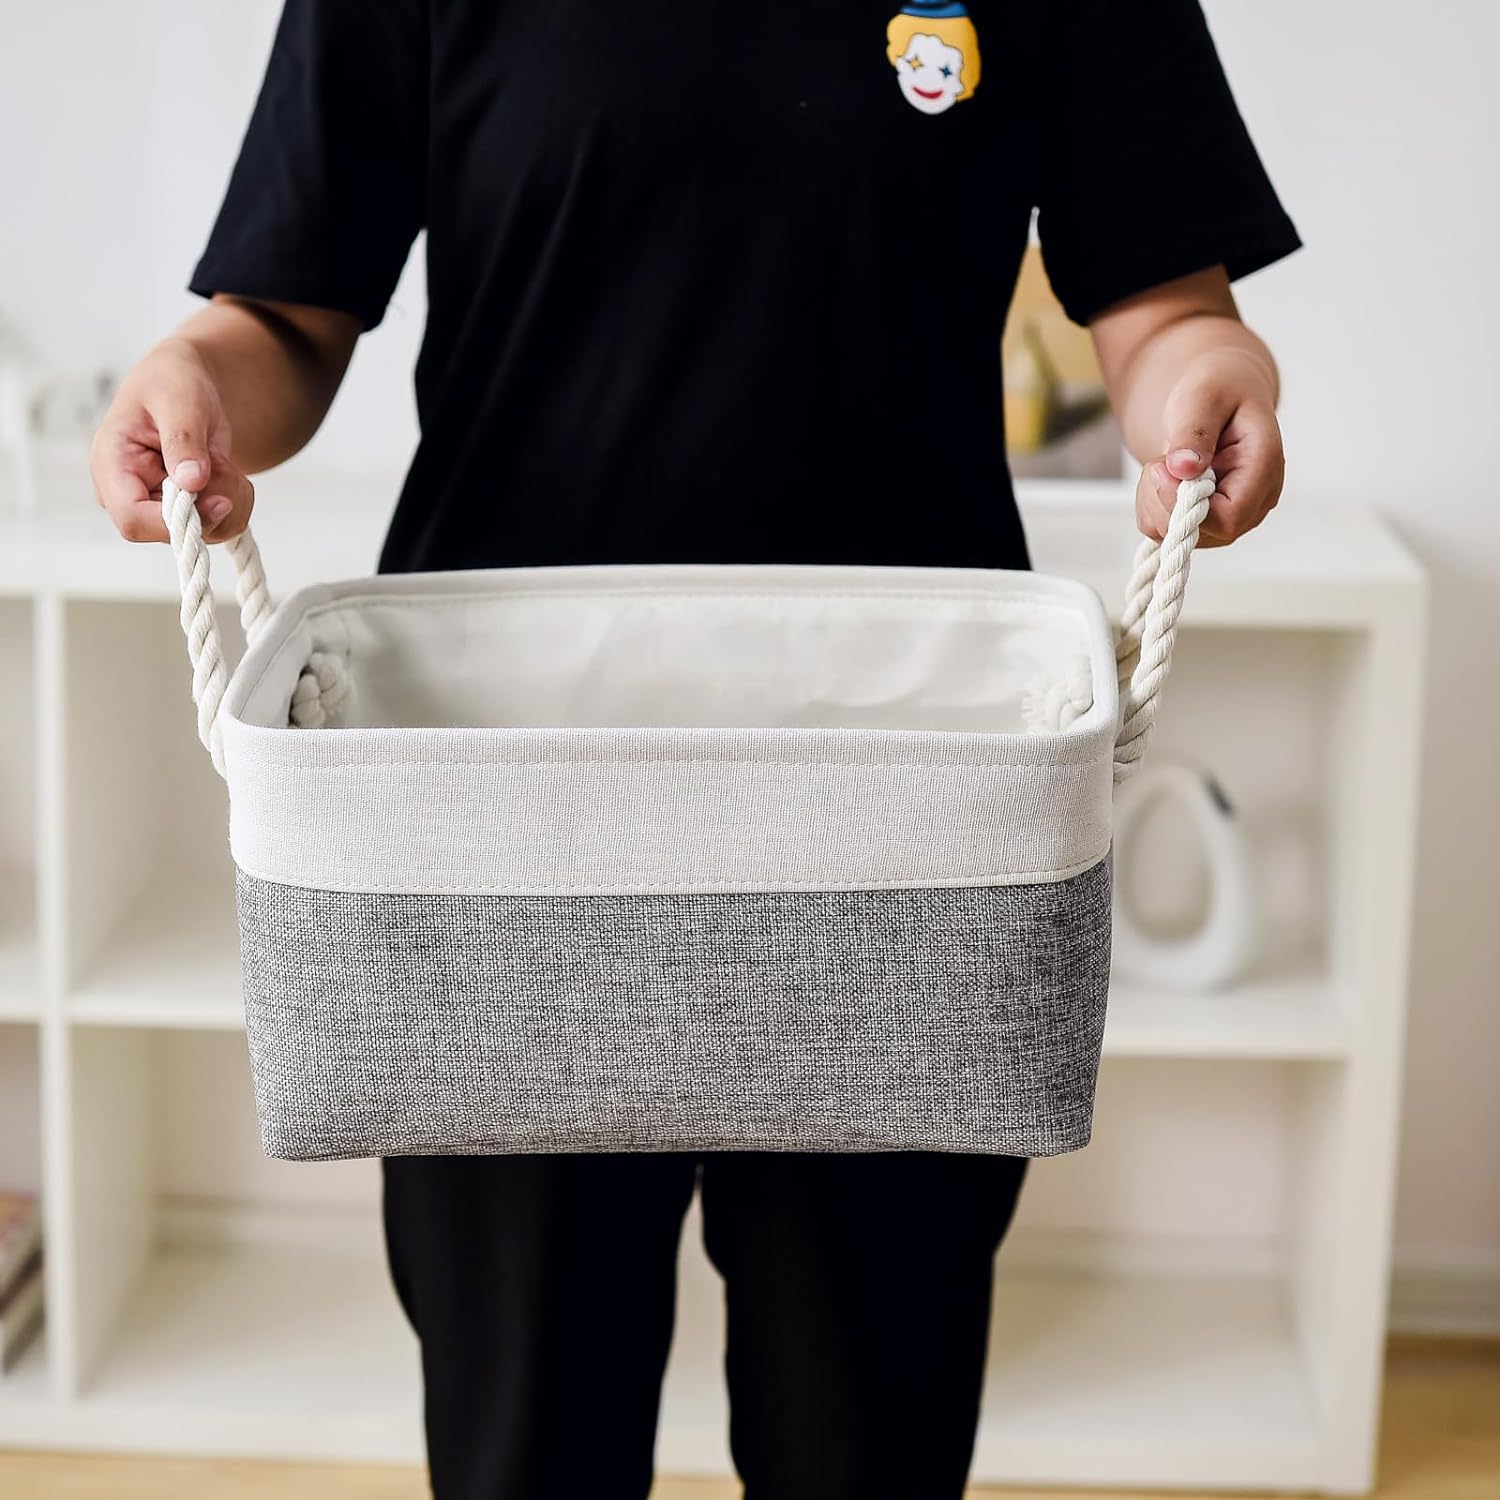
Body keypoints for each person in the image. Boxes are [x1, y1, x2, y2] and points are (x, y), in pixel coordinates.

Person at [90, 2, 1299, 1495]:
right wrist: (197, 381)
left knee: (868, 1436)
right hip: (499, 812)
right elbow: (283, 313)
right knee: (528, 1436)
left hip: (911, 811)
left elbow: (1162, 305)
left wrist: (1204, 379)